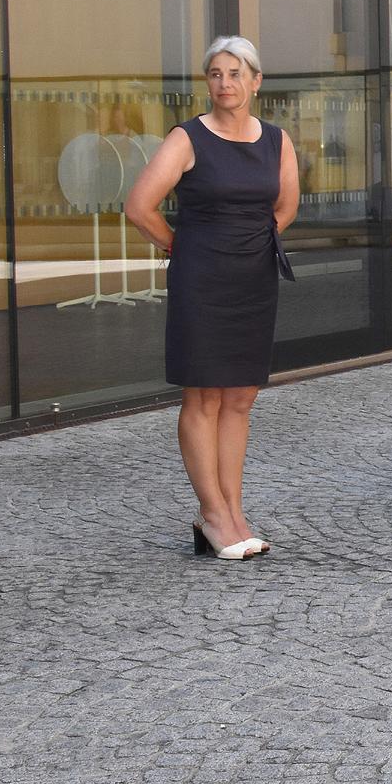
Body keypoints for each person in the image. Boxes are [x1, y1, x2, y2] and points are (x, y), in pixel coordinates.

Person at [125, 36, 299, 561]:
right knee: (203, 398)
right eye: (216, 74)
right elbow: (139, 206)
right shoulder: (187, 137)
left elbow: (286, 206)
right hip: (201, 281)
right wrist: (181, 246)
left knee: (240, 397)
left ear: (256, 81)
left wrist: (249, 242)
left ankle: (234, 511)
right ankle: (213, 513)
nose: (225, 83)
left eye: (235, 73)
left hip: (253, 280)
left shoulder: (277, 141)